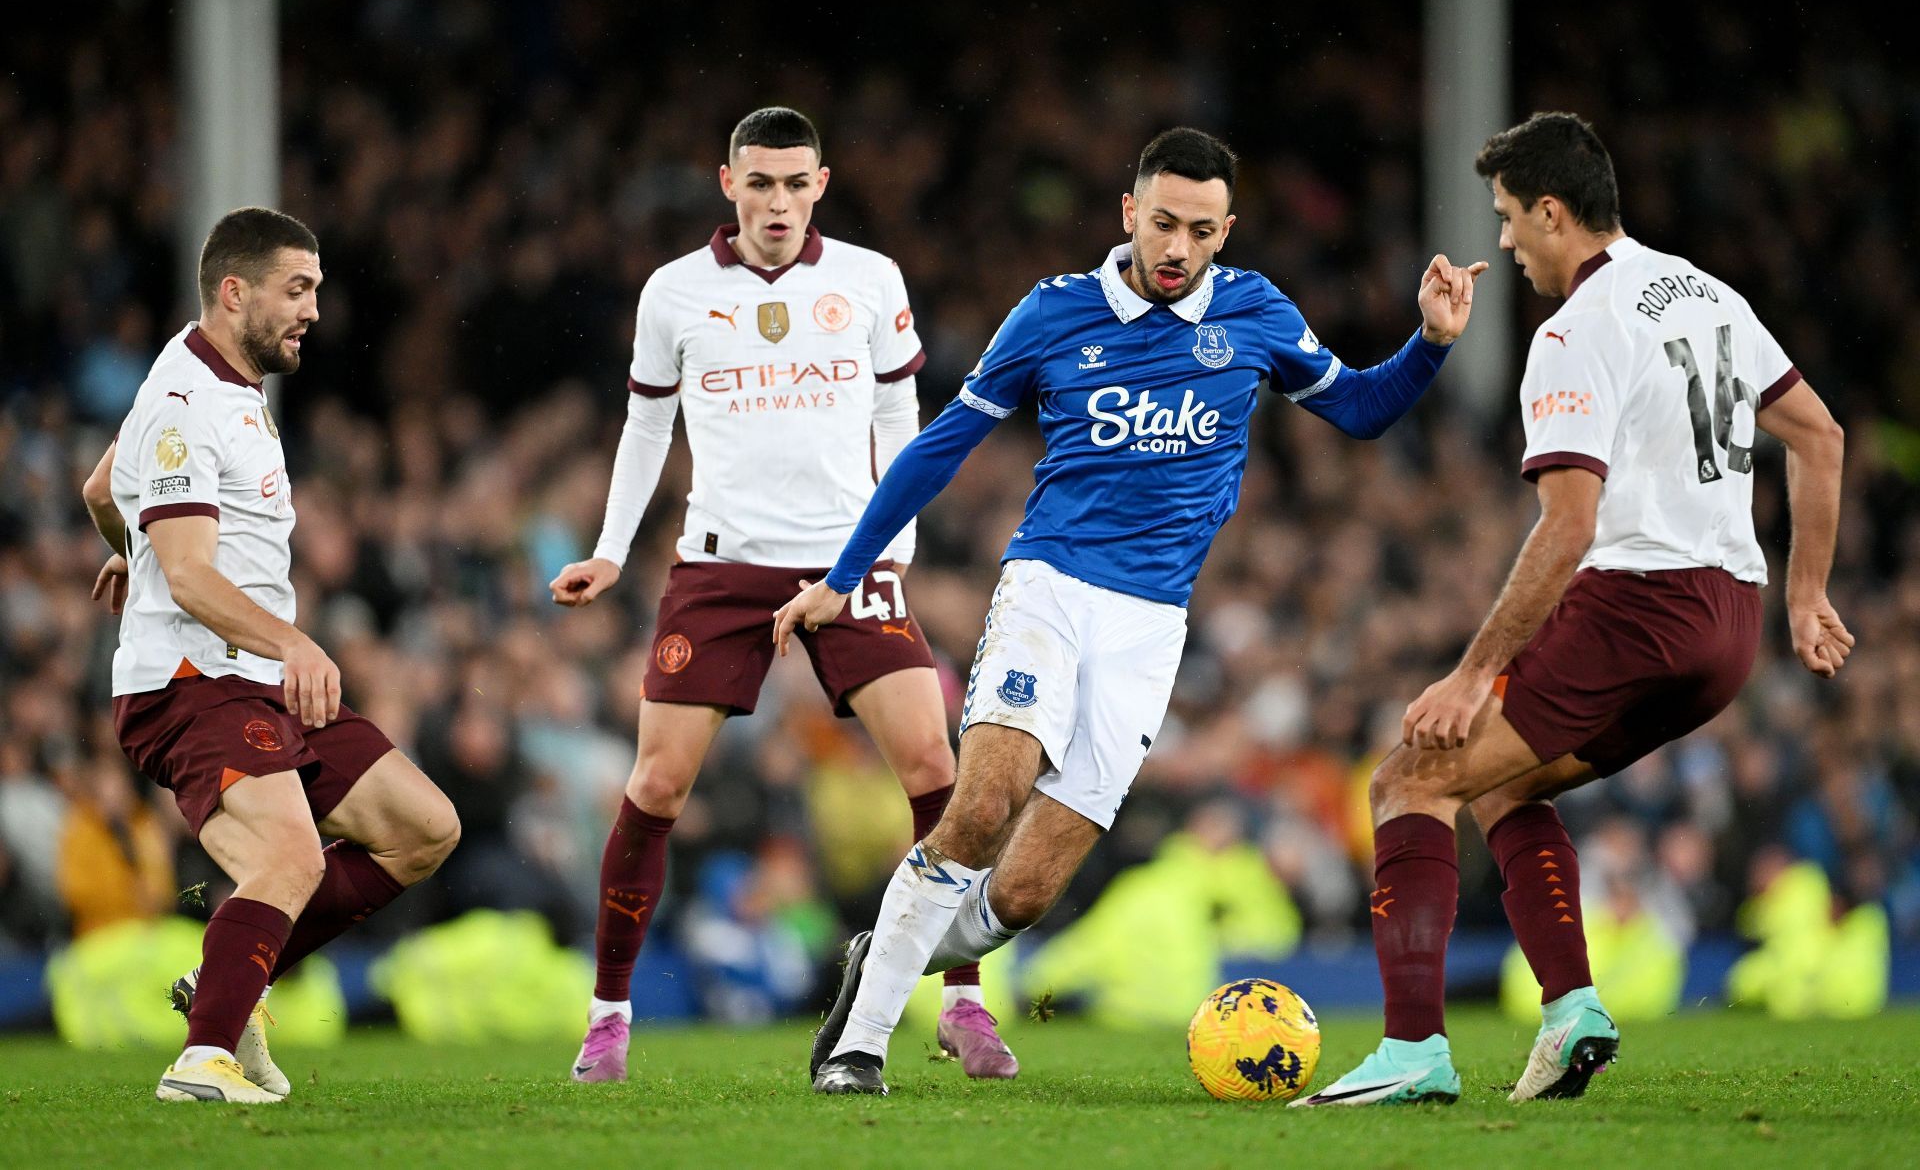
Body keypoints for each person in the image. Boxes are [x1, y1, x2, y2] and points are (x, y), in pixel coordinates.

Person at [778, 126, 1488, 1095]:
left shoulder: (1255, 313)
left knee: (1024, 893)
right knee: (984, 801)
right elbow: (940, 446)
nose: (1177, 248)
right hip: (1050, 590)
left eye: (1200, 230)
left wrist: (1433, 343)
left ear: (1225, 231)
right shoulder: (1054, 313)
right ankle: (858, 1043)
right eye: (1162, 223)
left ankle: (885, 951)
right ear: (1128, 214)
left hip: (1152, 625)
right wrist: (845, 571)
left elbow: (1360, 410)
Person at [1298, 112, 1852, 1108]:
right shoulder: (1707, 291)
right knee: (1507, 787)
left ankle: (1413, 1047)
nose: (1504, 241)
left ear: (1553, 212)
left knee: (1412, 778)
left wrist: (1471, 673)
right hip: (1730, 625)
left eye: (1511, 218)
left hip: (1637, 604)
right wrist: (1807, 592)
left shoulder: (1574, 330)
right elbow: (1818, 432)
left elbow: (1569, 525)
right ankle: (1571, 1011)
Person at [547, 107, 1013, 1083]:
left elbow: (900, 408)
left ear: (822, 184)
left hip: (847, 563)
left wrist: (898, 543)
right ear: (728, 184)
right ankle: (608, 1014)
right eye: (760, 183)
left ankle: (963, 1001)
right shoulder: (674, 292)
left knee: (935, 763)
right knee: (657, 782)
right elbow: (644, 426)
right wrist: (610, 547)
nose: (778, 201)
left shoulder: (869, 279)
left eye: (796, 184)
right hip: (719, 566)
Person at [82, 208, 461, 1104]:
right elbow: (187, 574)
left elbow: (102, 486)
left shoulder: (228, 380)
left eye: (317, 290)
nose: (314, 311)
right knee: (292, 861)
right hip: (191, 687)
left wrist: (125, 542)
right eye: (298, 290)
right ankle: (201, 1060)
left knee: (423, 827)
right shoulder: (183, 404)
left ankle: (229, 978)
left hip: (252, 682)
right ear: (233, 290)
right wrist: (288, 636)